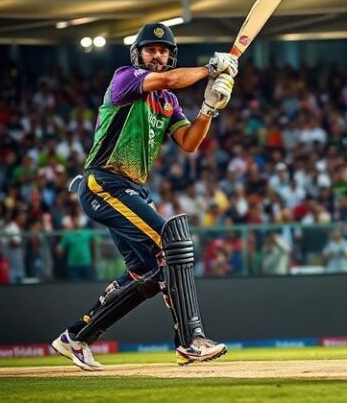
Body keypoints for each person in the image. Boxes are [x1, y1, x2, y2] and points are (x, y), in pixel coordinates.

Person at [51, 22, 239, 371]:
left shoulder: (168, 102)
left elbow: (191, 144)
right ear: (138, 54)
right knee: (173, 244)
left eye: (164, 51)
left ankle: (75, 338)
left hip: (130, 189)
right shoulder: (125, 79)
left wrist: (209, 108)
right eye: (151, 50)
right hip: (105, 183)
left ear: (170, 56)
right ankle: (192, 340)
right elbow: (168, 80)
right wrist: (210, 69)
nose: (157, 56)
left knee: (150, 271)